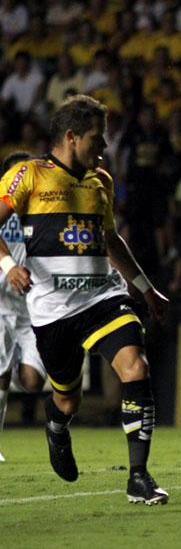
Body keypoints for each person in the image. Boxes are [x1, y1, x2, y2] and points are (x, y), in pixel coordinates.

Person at [0, 95, 170, 504]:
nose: (105, 147)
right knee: (67, 398)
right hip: (53, 309)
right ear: (72, 136)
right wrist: (9, 266)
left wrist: (146, 289)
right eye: (98, 138)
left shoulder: (102, 182)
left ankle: (139, 476)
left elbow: (110, 240)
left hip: (103, 297)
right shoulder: (28, 176)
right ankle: (57, 426)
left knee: (135, 367)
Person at [0, 151, 46, 462]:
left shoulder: (42, 209)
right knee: (0, 375)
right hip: (1, 305)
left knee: (33, 381)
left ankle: (11, 369)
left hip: (32, 309)